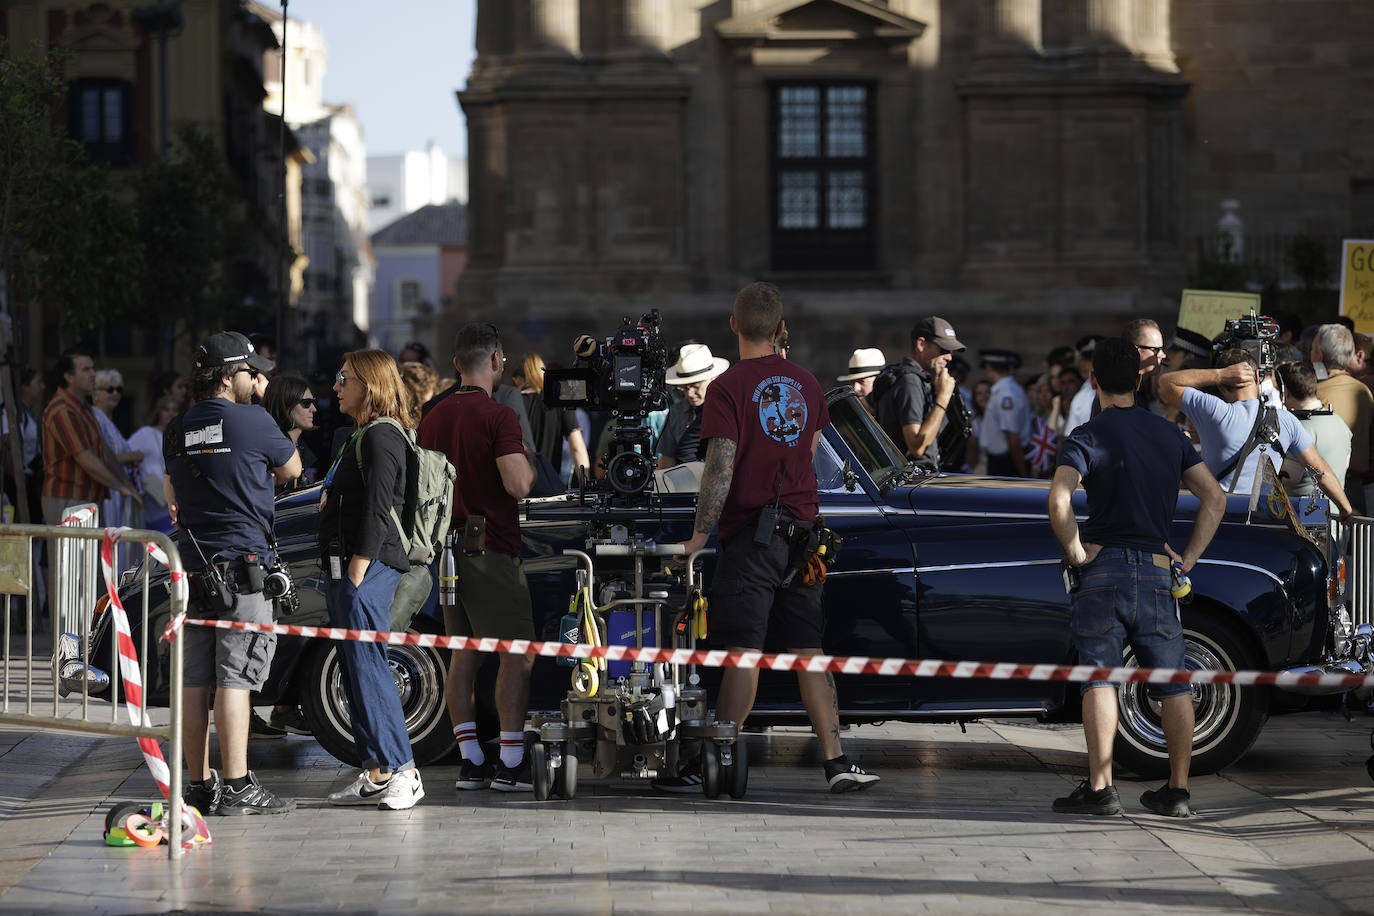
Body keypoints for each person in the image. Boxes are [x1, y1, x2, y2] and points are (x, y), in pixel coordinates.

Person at [662, 281, 879, 794]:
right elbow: (808, 455)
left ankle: (717, 758)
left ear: (734, 327)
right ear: (781, 329)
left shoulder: (727, 389)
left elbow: (719, 467)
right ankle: (837, 761)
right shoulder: (805, 382)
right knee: (809, 650)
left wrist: (698, 535)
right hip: (804, 536)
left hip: (751, 538)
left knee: (745, 650)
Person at [1048, 336, 1226, 818]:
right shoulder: (1170, 435)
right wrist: (1186, 558)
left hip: (1102, 570)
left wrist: (1077, 551)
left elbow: (1060, 499)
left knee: (1100, 680)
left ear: (1093, 380)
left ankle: (1102, 788)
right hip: (1156, 571)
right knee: (1173, 681)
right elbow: (1215, 497)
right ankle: (1178, 790)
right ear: (1141, 378)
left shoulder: (1086, 435)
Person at [164, 331, 300, 816]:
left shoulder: (177, 429)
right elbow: (292, 469)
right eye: (250, 372)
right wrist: (262, 406)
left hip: (193, 571)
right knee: (235, 679)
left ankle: (198, 786)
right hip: (243, 572)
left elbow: (170, 491)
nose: (258, 379)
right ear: (227, 376)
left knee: (195, 682)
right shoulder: (254, 419)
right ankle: (239, 785)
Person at [418, 323, 535, 793]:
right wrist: (523, 457)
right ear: (498, 362)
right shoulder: (498, 415)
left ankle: (470, 758)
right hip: (489, 547)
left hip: (444, 550)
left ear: (455, 363)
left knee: (463, 654)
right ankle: (509, 760)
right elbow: (519, 485)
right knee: (517, 655)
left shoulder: (431, 417)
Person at [319, 349, 426, 811]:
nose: (336, 387)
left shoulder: (382, 436)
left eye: (344, 378)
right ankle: (379, 771)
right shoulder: (362, 434)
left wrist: (358, 570)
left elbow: (379, 510)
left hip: (370, 566)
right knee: (354, 667)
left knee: (369, 668)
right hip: (348, 568)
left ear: (369, 384)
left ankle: (404, 769)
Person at [1158, 349, 1353, 518]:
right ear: (1259, 377)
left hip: (1213, 516)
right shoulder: (1286, 421)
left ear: (1221, 386)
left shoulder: (1212, 410)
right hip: (1261, 519)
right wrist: (1345, 509)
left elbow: (1165, 384)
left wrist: (1218, 374)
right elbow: (1320, 471)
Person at [41, 348, 141, 527]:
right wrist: (121, 487)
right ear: (69, 377)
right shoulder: (62, 409)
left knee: (94, 555)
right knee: (67, 555)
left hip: (89, 498)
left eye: (92, 368)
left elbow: (103, 450)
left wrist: (127, 485)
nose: (93, 374)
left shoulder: (84, 408)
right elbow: (85, 458)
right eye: (86, 370)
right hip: (68, 498)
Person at [869, 317, 964, 468]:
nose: (949, 357)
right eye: (943, 349)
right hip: (911, 481)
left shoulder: (911, 378)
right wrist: (943, 397)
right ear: (921, 344)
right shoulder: (910, 381)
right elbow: (916, 447)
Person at [1311, 323, 1373, 514]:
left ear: (1320, 356)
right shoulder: (1364, 391)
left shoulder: (1314, 392)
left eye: (1313, 349)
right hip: (1356, 486)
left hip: (1326, 488)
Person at [1275, 361, 1351, 499]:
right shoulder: (1339, 421)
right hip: (1335, 513)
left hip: (1303, 514)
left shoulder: (1298, 428)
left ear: (1285, 392)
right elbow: (1345, 465)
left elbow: (1290, 477)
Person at [512, 352, 590, 480]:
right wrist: (585, 484)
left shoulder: (512, 403)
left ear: (516, 379)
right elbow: (577, 448)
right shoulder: (560, 401)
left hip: (521, 484)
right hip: (551, 483)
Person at [656, 344, 729, 469]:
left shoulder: (728, 410)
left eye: (696, 386)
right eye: (684, 387)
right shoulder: (676, 411)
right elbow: (667, 461)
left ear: (713, 380)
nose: (689, 393)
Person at [92, 368, 144, 531]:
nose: (115, 393)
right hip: (108, 488)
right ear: (96, 393)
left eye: (118, 390)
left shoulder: (110, 420)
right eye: (109, 389)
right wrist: (132, 456)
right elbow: (99, 455)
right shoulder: (95, 416)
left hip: (118, 491)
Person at [128, 396, 180, 534]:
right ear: (158, 412)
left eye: (174, 410)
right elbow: (125, 454)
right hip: (153, 498)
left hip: (172, 499)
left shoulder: (178, 436)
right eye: (166, 409)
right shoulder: (146, 433)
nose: (170, 413)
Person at [978, 349, 1032, 477]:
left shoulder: (1006, 393)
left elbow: (1012, 437)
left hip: (1007, 463)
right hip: (1003, 461)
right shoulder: (1003, 390)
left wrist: (1023, 473)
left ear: (988, 367)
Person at [263, 373, 320, 487]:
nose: (314, 409)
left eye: (313, 402)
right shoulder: (268, 448)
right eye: (306, 403)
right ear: (286, 405)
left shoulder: (302, 445)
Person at [1061, 336, 1104, 436]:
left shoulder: (1116, 388)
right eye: (1083, 359)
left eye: (1091, 359)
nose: (1085, 364)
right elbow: (1071, 434)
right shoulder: (1081, 395)